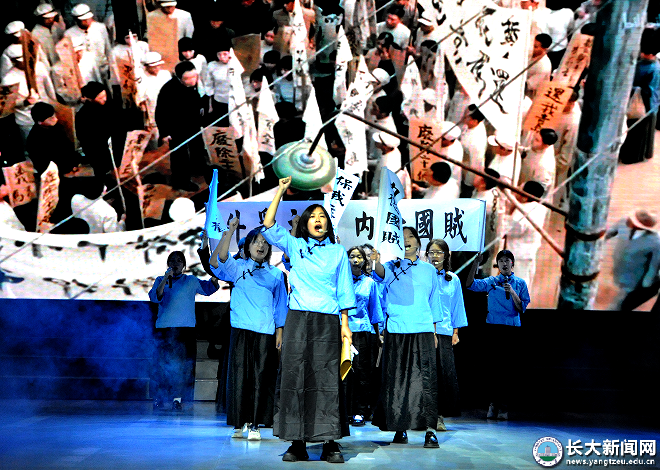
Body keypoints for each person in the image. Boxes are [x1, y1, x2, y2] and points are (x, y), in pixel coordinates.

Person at [262, 176, 355, 463]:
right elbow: (268, 224)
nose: (318, 220)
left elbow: (344, 291)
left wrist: (345, 326)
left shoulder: (338, 252)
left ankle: (329, 441)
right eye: (313, 216)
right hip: (298, 320)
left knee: (327, 379)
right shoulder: (294, 245)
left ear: (328, 224)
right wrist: (280, 190)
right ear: (305, 223)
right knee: (295, 378)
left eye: (322, 217)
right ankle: (297, 442)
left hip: (327, 321)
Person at [210, 220, 287, 440]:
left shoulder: (276, 274)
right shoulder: (238, 268)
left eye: (265, 243)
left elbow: (280, 305)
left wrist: (280, 332)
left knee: (260, 377)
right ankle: (239, 422)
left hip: (265, 330)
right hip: (240, 330)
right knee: (239, 377)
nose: (260, 246)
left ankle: (254, 424)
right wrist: (230, 231)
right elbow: (220, 258)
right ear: (248, 246)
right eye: (256, 242)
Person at [370, 227, 442, 449]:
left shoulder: (429, 270)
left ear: (418, 243)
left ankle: (430, 430)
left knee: (426, 382)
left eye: (410, 237)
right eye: (401, 238)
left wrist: (434, 331)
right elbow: (379, 273)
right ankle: (399, 428)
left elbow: (434, 301)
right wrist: (375, 260)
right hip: (397, 330)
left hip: (423, 331)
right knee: (398, 381)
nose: (406, 240)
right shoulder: (391, 267)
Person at [148, 251, 219, 411]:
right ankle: (159, 398)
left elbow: (209, 289)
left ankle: (177, 399)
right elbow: (155, 297)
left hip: (185, 330)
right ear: (168, 264)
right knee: (161, 365)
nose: (176, 263)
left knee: (182, 366)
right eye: (172, 260)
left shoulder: (191, 280)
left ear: (184, 265)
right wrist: (165, 278)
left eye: (179, 260)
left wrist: (216, 274)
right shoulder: (160, 280)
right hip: (164, 329)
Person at [466, 249, 530, 420]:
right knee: (493, 368)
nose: (504, 264)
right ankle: (493, 404)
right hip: (494, 328)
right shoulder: (492, 281)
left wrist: (513, 292)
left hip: (511, 330)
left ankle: (504, 406)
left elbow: (521, 308)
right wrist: (475, 263)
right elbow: (470, 284)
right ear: (498, 264)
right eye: (501, 261)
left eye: (507, 260)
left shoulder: (520, 283)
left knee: (508, 370)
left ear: (512, 263)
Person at [426, 239, 467, 431]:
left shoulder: (453, 279)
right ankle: (422, 415)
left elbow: (457, 306)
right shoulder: (422, 277)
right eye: (431, 252)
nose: (435, 256)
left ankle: (438, 416)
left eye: (438, 252)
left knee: (442, 376)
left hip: (444, 332)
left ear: (446, 255)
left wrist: (456, 331)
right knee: (425, 375)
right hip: (424, 331)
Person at [345, 246, 383, 427]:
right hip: (343, 330)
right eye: (352, 256)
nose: (355, 260)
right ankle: (345, 410)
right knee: (345, 372)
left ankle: (360, 411)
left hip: (363, 331)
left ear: (364, 261)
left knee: (362, 373)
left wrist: (378, 334)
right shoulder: (340, 282)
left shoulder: (370, 283)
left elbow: (374, 311)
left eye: (359, 257)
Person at [155, 60, 206, 191]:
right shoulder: (168, 90)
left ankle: (198, 169)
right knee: (180, 155)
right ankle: (181, 181)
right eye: (187, 78)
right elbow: (160, 113)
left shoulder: (195, 83)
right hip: (176, 127)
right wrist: (164, 132)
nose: (192, 80)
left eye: (194, 76)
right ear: (179, 78)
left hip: (193, 122)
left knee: (198, 147)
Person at [605, 210, 660, 310]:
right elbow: (609, 233)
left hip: (634, 278)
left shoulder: (655, 241)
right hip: (619, 269)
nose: (629, 221)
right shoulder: (623, 222)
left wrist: (646, 283)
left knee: (619, 304)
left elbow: (654, 265)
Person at [1, 44, 57, 141]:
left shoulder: (39, 67)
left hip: (47, 115)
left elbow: (49, 88)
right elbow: (6, 105)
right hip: (26, 119)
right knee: (31, 142)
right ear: (13, 61)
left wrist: (55, 107)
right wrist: (25, 102)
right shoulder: (8, 80)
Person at [505, 181, 549, 297]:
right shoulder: (541, 207)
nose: (516, 191)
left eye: (519, 189)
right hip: (529, 252)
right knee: (525, 281)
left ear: (525, 197)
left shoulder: (520, 213)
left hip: (518, 255)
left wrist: (510, 210)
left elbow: (508, 230)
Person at [64, 4, 112, 80]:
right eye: (83, 20)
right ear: (76, 20)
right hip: (85, 73)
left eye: (88, 18)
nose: (86, 21)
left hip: (103, 68)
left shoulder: (101, 27)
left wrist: (111, 66)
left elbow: (108, 48)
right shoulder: (69, 34)